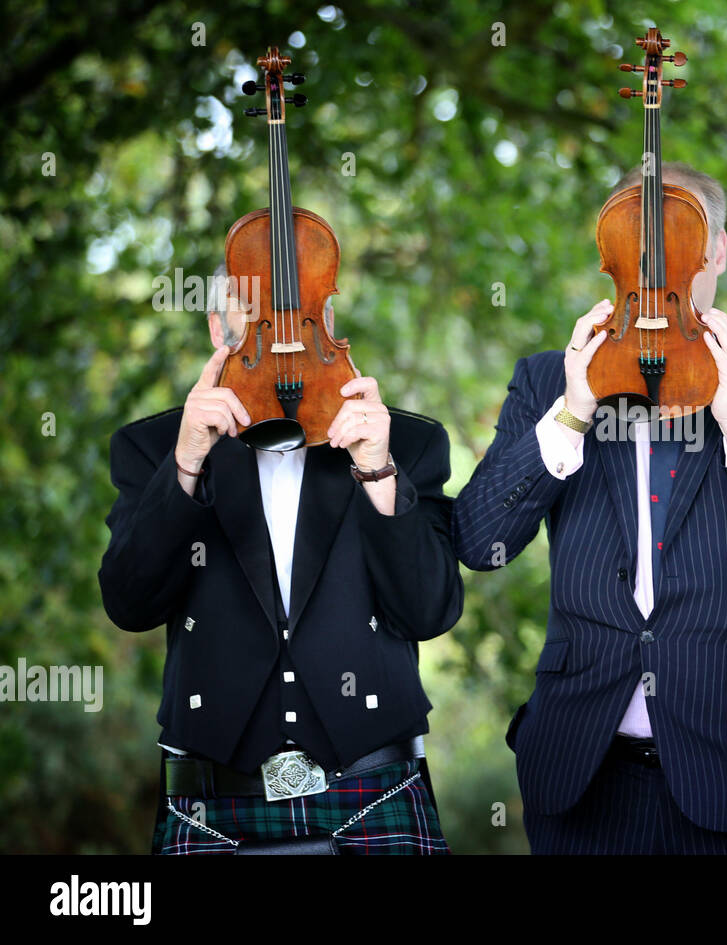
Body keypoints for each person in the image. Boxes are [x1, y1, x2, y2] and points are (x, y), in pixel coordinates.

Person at [454, 163, 727, 854]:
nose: (658, 266)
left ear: (718, 251)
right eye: (639, 247)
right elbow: (478, 538)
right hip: (582, 780)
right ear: (611, 256)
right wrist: (572, 414)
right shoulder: (549, 380)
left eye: (680, 239)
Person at [99, 265, 463, 854]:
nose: (285, 338)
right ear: (219, 330)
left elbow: (430, 611)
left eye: (301, 315)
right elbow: (129, 602)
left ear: (330, 326)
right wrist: (188, 460)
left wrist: (377, 470)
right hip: (210, 804)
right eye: (259, 319)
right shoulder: (153, 448)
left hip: (374, 790)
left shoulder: (405, 443)